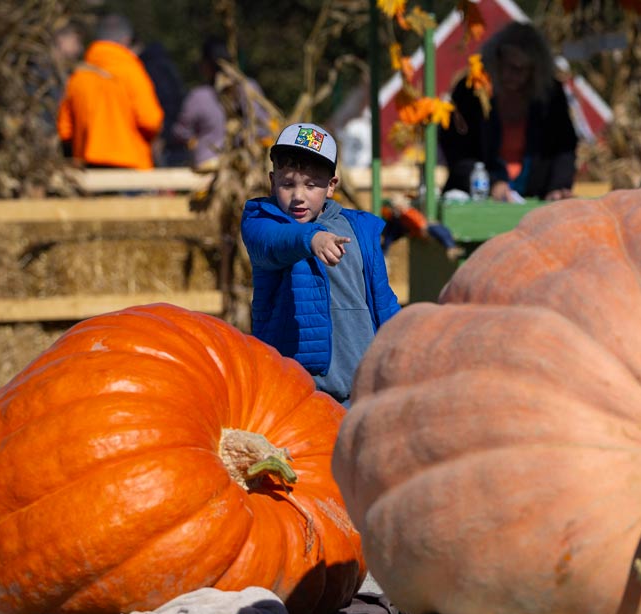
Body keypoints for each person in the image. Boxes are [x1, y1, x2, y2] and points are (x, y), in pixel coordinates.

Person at [240, 123, 401, 407]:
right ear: (272, 181)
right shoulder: (263, 222)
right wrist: (311, 238)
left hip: (362, 389)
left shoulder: (359, 228)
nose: (298, 195)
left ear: (331, 186)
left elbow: (382, 300)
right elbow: (274, 242)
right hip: (300, 393)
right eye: (287, 183)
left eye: (311, 184)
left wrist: (402, 344)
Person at [440, 21, 578, 202]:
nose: (507, 75)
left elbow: (564, 147)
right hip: (476, 198)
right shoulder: (471, 90)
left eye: (518, 69)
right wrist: (491, 183)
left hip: (536, 198)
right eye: (503, 64)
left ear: (534, 71)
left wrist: (558, 187)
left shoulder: (550, 96)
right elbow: (456, 148)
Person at [56, 14, 164, 169]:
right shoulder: (132, 72)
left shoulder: (78, 76)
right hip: (131, 168)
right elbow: (151, 121)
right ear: (126, 40)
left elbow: (65, 130)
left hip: (88, 169)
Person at [172, 37, 269, 172]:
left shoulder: (199, 96)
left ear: (207, 65)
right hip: (249, 166)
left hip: (209, 166)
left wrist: (194, 143)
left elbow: (181, 132)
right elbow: (263, 128)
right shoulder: (251, 88)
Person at [137, 40, 187, 167]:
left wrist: (162, 135)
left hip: (161, 137)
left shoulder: (147, 68)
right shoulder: (165, 65)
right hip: (171, 135)